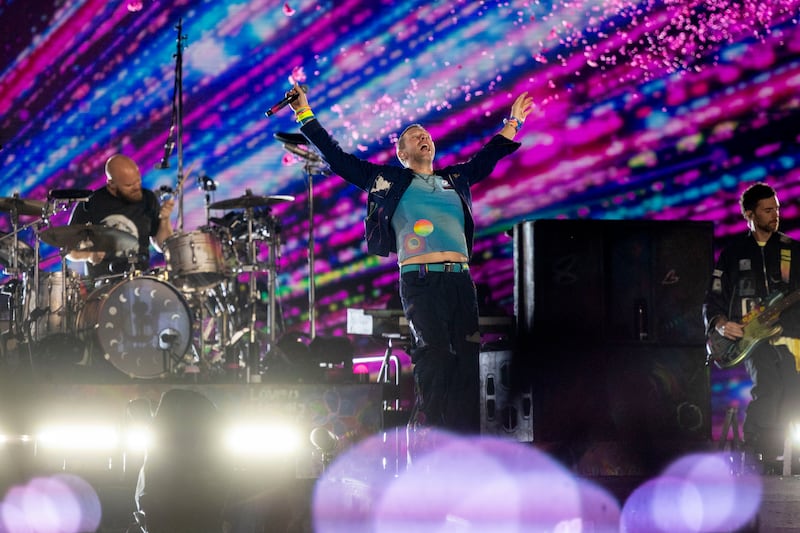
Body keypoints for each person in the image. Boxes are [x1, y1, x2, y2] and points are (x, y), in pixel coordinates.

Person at [286, 83, 534, 434]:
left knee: (467, 362)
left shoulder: (455, 178)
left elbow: (488, 157)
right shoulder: (388, 180)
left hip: (460, 280)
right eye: (415, 136)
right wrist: (304, 113)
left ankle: (464, 443)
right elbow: (339, 159)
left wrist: (514, 122)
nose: (424, 138)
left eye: (427, 135)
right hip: (421, 280)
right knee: (434, 357)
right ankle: (432, 437)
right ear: (401, 153)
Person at [703, 182, 800, 468]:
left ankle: (790, 460)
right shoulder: (733, 253)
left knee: (794, 391)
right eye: (768, 210)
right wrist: (720, 324)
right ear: (750, 214)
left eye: (777, 209)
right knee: (769, 388)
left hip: (792, 337)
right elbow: (714, 297)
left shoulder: (792, 251)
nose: (775, 215)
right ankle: (760, 451)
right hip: (754, 339)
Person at [68, 154, 174, 278]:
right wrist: (89, 255)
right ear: (111, 184)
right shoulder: (90, 203)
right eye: (129, 185)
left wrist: (165, 219)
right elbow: (68, 249)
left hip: (141, 279)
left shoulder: (148, 198)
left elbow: (162, 245)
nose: (136, 187)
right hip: (103, 284)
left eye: (138, 181)